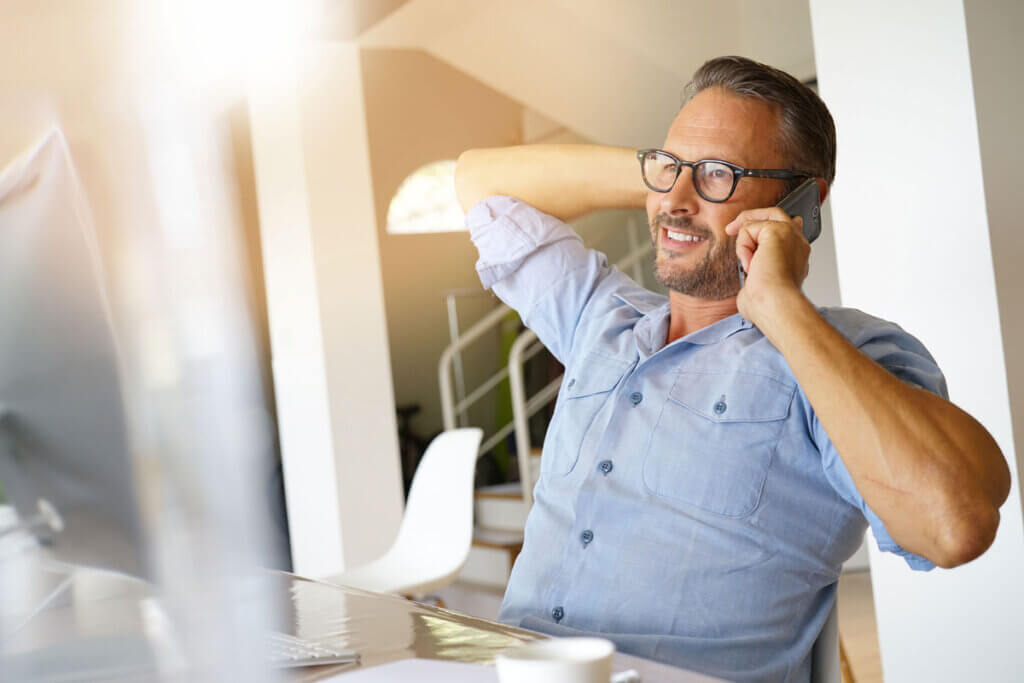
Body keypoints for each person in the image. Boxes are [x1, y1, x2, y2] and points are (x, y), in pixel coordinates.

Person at [454, 56, 1010, 682]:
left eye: (720, 174)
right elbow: (480, 184)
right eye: (668, 168)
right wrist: (676, 176)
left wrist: (777, 306)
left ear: (802, 200)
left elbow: (953, 523)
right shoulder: (599, 318)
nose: (676, 203)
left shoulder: (849, 353)